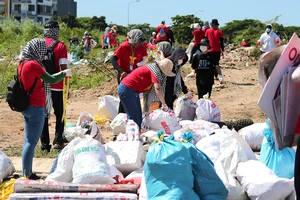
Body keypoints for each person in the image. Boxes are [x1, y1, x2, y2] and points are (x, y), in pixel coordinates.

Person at [19, 38, 69, 179]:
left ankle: (25, 172)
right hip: (36, 106)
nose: (44, 53)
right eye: (42, 50)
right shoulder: (34, 65)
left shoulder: (22, 63)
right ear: (37, 50)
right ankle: (27, 174)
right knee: (31, 142)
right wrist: (64, 73)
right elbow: (51, 79)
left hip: (27, 106)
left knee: (28, 141)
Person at [118, 58, 175, 130]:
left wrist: (147, 108)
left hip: (129, 90)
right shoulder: (155, 71)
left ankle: (135, 134)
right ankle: (133, 136)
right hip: (128, 89)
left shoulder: (152, 68)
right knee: (135, 117)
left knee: (137, 116)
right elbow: (158, 88)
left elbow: (148, 90)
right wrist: (164, 103)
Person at [40, 20, 69, 151]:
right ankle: (58, 141)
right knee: (60, 113)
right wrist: (67, 86)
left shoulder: (39, 44)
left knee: (44, 114)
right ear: (57, 30)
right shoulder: (61, 46)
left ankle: (44, 145)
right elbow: (64, 68)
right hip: (57, 85)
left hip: (41, 85)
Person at [111, 29, 147, 113]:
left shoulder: (137, 49)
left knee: (131, 96)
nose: (140, 42)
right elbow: (113, 59)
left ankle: (128, 115)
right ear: (134, 38)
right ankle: (121, 115)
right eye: (139, 39)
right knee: (124, 96)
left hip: (132, 75)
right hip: (123, 74)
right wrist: (120, 71)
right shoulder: (124, 46)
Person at [143, 41, 173, 112]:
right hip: (154, 87)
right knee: (152, 106)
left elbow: (164, 64)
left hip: (165, 86)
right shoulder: (156, 57)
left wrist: (161, 53)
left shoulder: (170, 57)